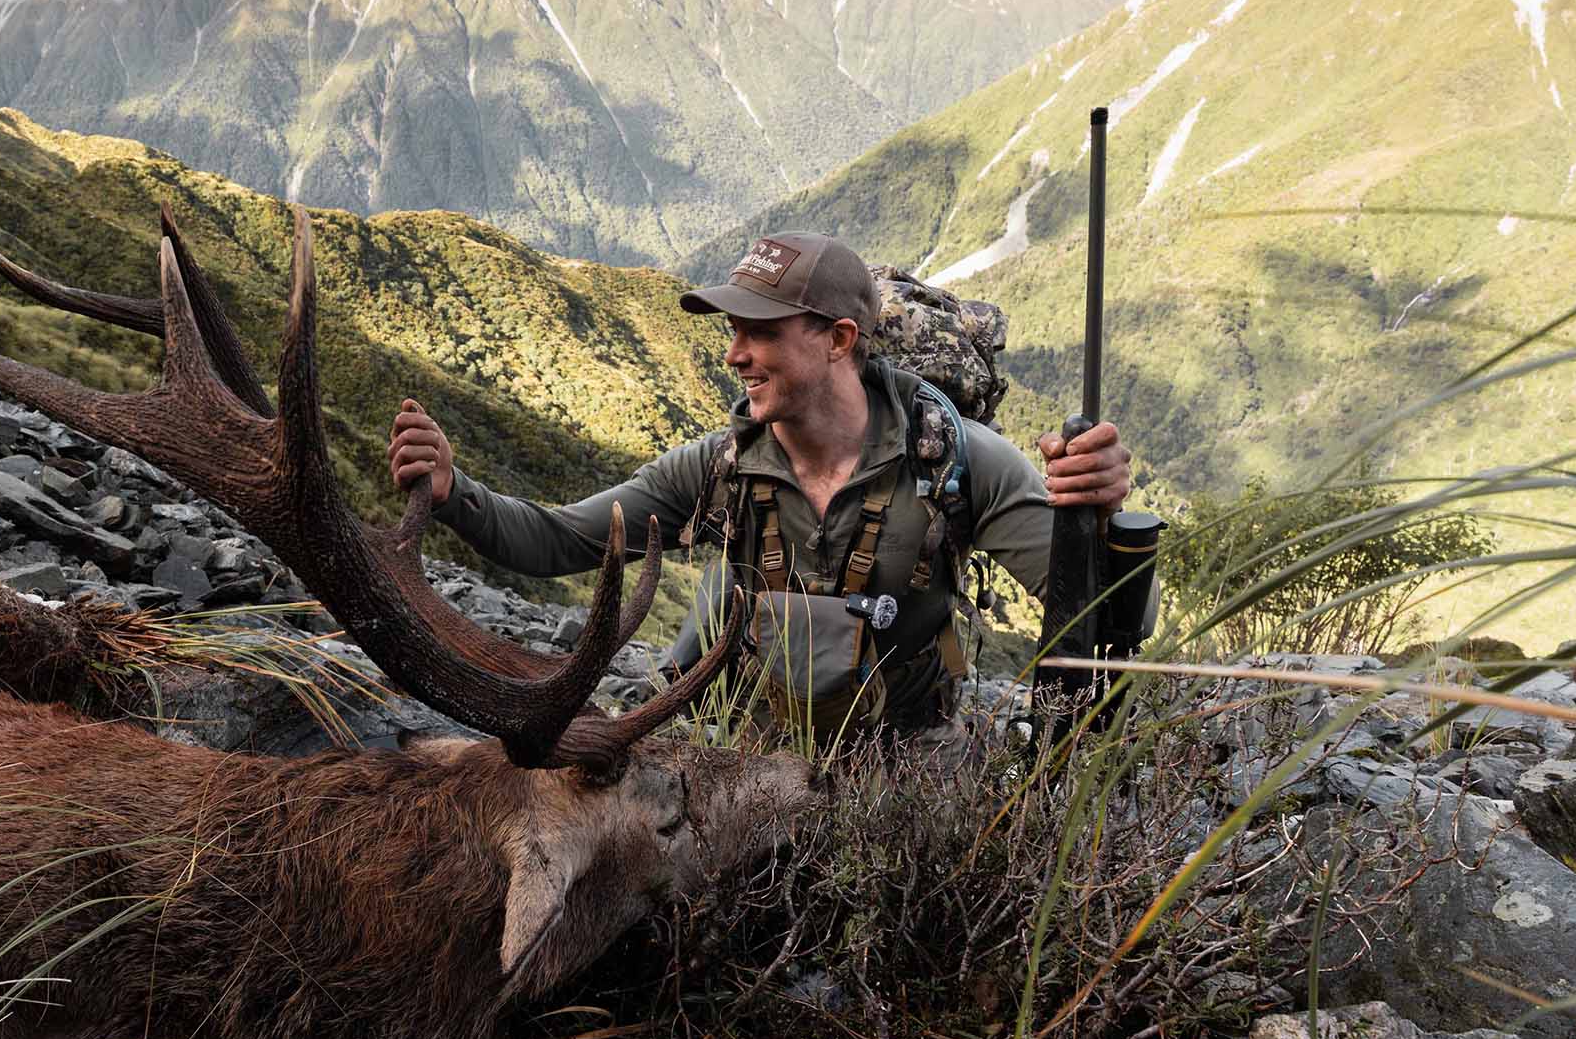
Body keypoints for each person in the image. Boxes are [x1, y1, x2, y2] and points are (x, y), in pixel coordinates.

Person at [387, 232, 1133, 736]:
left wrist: (1096, 520)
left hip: (911, 772)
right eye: (733, 331)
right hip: (748, 765)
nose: (735, 355)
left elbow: (1114, 618)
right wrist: (456, 492)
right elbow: (560, 541)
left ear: (839, 339)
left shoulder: (958, 462)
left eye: (763, 332)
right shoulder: (716, 465)